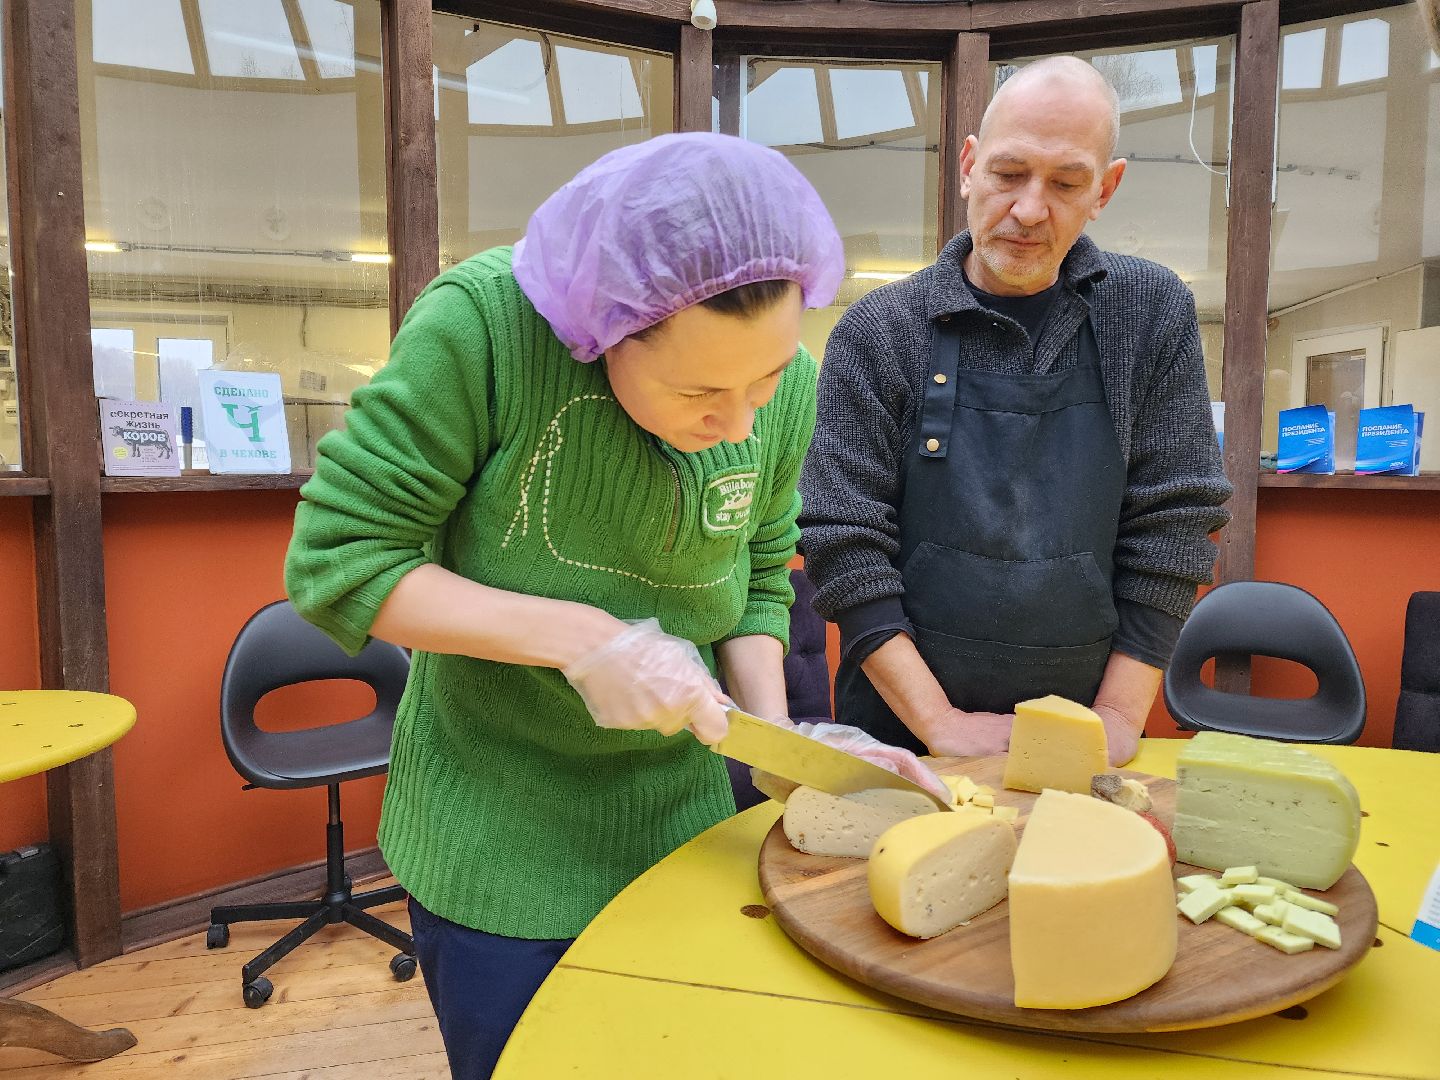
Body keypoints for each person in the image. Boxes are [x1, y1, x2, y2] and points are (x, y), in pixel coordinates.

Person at [284, 132, 945, 1080]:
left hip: (681, 833)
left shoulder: (784, 384)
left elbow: (759, 574)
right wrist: (581, 640)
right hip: (495, 840)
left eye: (765, 380)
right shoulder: (482, 333)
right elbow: (339, 560)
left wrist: (782, 737)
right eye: (701, 391)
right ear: (602, 331)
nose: (742, 424)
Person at [798, 57, 1233, 769]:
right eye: (1008, 174)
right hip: (903, 737)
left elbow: (1173, 528)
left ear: (1106, 188)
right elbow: (843, 543)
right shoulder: (879, 330)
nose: (1031, 210)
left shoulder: (1150, 313)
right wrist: (940, 723)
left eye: (1065, 183)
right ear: (968, 167)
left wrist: (1120, 717)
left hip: (1089, 732)